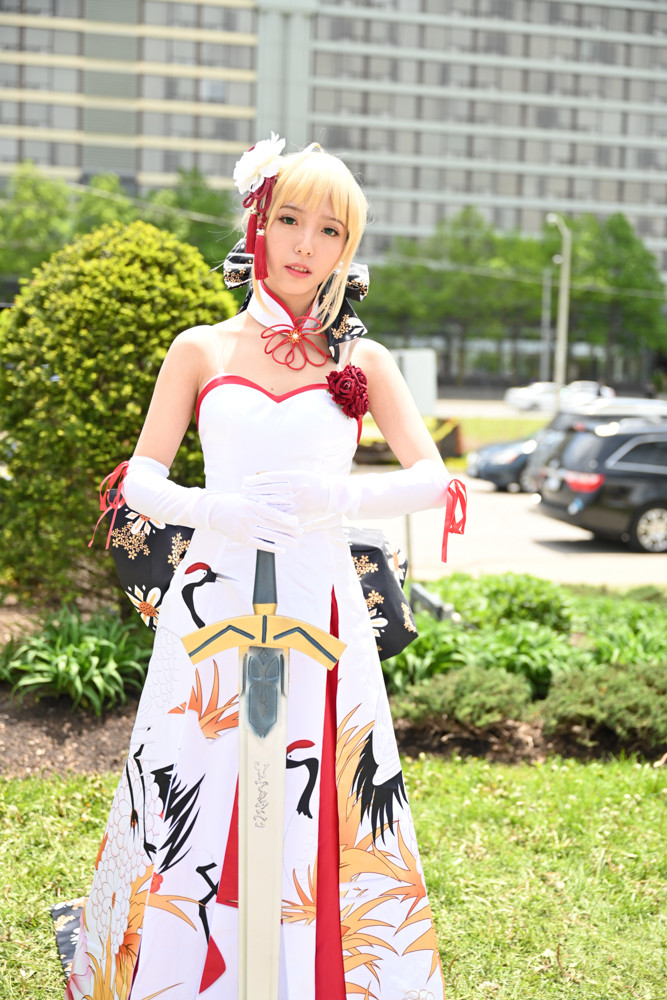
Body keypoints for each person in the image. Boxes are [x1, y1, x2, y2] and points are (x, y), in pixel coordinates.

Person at [66, 135, 463, 1000]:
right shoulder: (200, 348)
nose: (304, 245)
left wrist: (337, 501)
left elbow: (434, 480)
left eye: (330, 230)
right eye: (289, 219)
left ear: (347, 248)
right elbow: (140, 481)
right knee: (192, 780)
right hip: (213, 595)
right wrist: (219, 510)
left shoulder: (363, 361)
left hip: (320, 600)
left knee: (318, 783)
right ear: (257, 223)